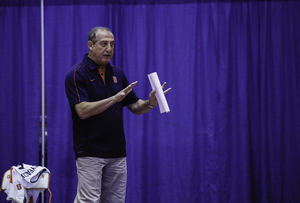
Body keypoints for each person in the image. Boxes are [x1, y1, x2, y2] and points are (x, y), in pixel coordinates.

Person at [65, 26, 171, 203]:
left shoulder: (118, 73)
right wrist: (113, 99)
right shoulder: (77, 74)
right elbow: (82, 111)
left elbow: (135, 107)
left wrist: (150, 102)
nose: (109, 49)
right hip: (90, 151)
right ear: (90, 45)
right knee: (89, 201)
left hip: (117, 152)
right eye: (104, 44)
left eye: (112, 44)